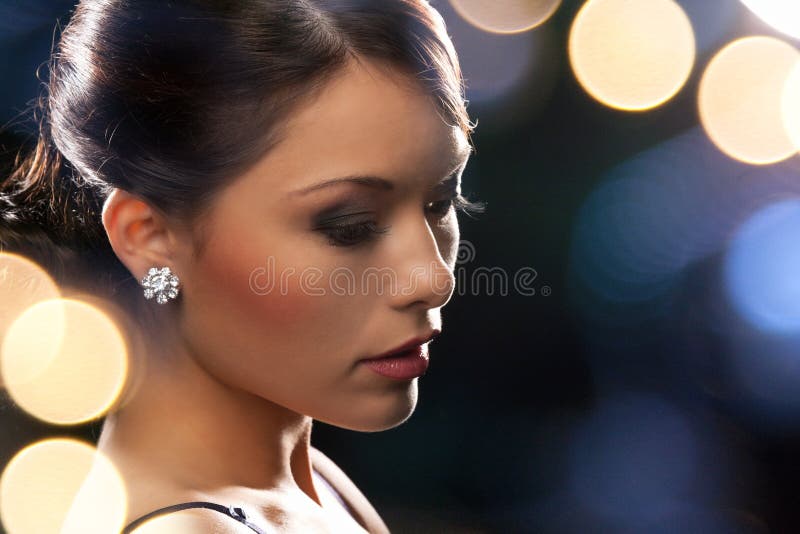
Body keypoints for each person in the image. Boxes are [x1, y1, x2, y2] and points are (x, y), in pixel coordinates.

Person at [0, 0, 484, 531]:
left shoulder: (313, 484)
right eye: (348, 225)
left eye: (440, 202)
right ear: (150, 236)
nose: (433, 279)